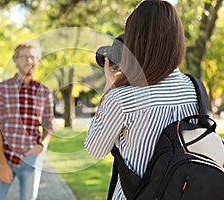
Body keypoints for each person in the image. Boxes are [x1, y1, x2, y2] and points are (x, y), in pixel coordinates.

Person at [84, 0, 198, 199]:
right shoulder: (196, 88)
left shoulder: (122, 98)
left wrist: (110, 88)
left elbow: (95, 149)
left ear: (136, 42)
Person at [0, 41, 54, 200]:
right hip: (4, 156)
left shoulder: (44, 92)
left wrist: (42, 145)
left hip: (31, 160)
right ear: (15, 60)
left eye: (33, 57)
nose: (29, 61)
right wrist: (2, 164)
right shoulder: (1, 89)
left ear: (38, 61)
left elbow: (49, 126)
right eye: (24, 57)